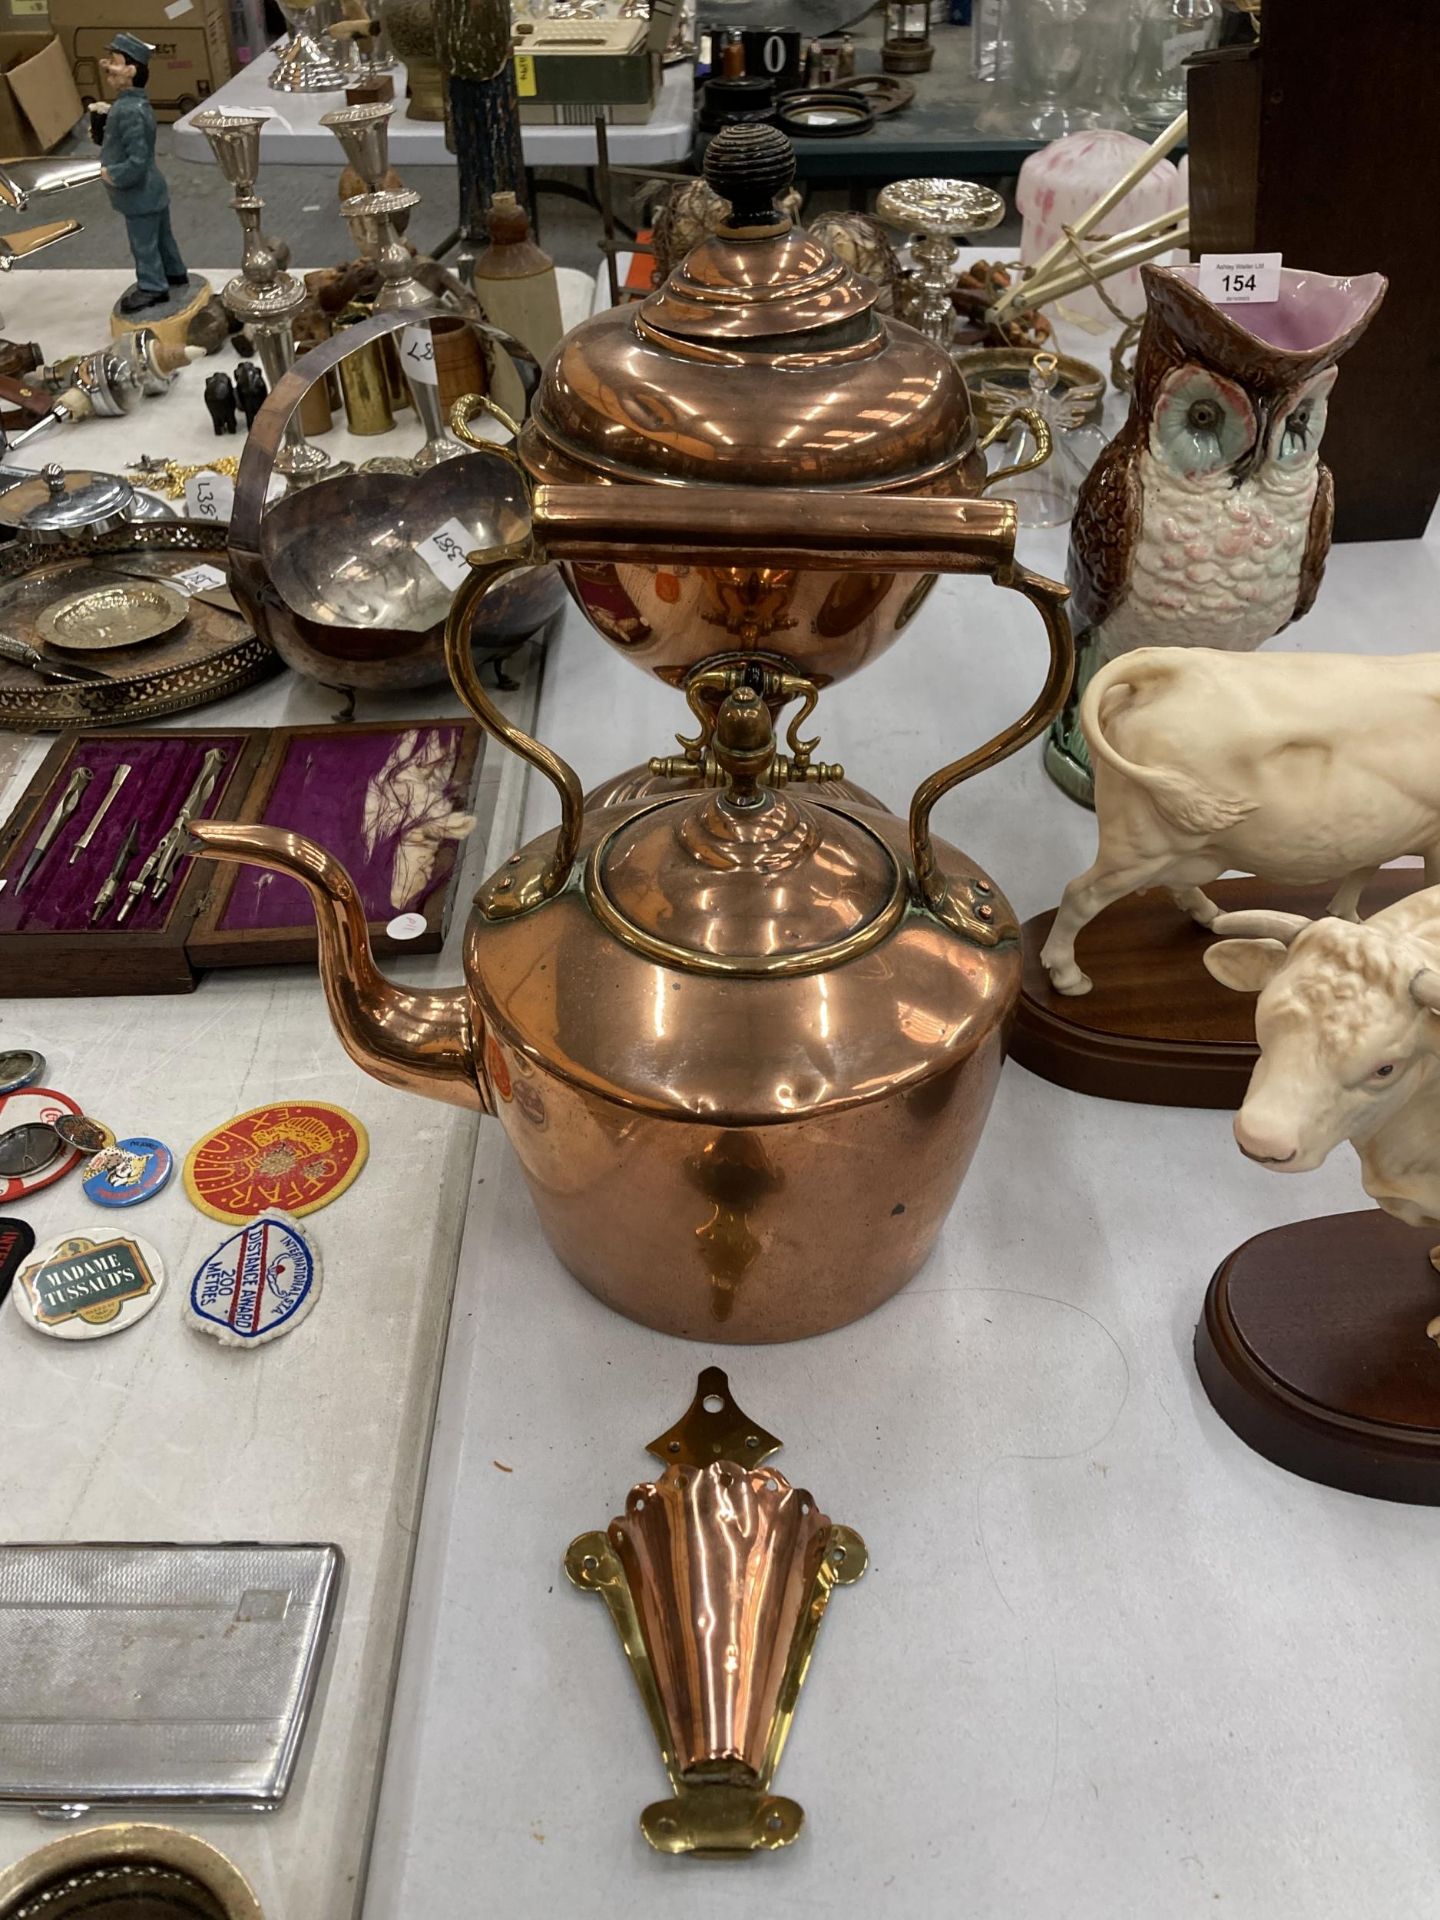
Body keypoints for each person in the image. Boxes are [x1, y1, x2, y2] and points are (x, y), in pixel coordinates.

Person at [92, 31, 188, 315]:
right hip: (151, 191)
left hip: (139, 193)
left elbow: (138, 159)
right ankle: (175, 272)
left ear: (132, 71)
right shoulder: (129, 106)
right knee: (162, 238)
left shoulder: (129, 111)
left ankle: (153, 286)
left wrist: (114, 174)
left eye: (114, 61)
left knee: (143, 244)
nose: (108, 66)